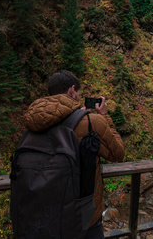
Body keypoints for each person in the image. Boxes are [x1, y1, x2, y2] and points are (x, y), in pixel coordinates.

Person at [22, 70, 125, 238]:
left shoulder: (32, 123)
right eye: (77, 92)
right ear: (71, 90)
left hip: (45, 216)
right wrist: (104, 116)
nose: (78, 95)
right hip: (83, 218)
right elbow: (118, 153)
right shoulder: (92, 122)